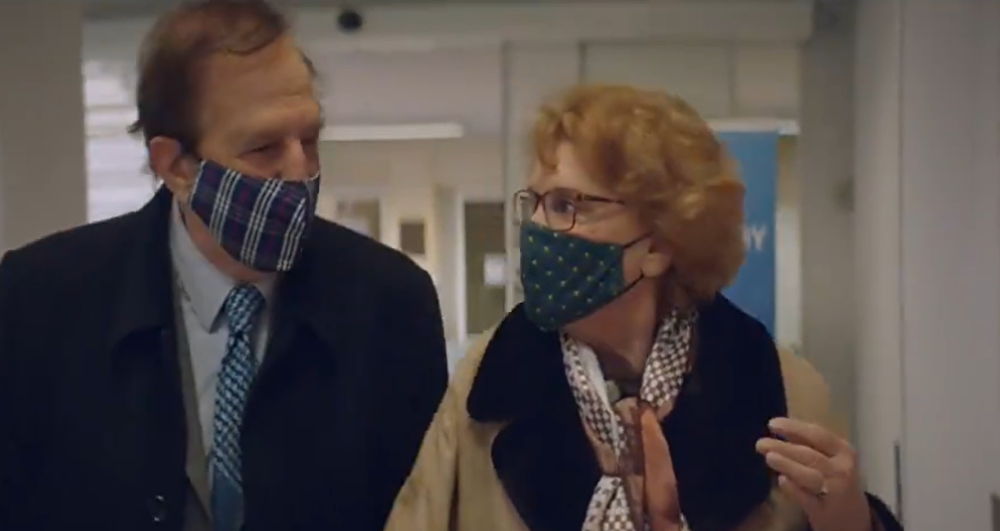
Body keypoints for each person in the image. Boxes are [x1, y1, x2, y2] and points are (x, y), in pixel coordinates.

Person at [0, 2, 448, 530]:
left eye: (308, 140)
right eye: (263, 148)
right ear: (175, 166)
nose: (299, 172)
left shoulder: (389, 304)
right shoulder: (39, 301)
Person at [384, 84, 903, 531]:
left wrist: (855, 524)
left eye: (567, 205)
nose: (537, 228)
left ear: (659, 243)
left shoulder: (782, 390)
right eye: (535, 203)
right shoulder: (486, 384)